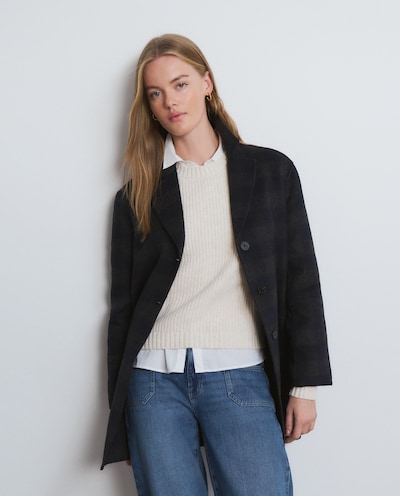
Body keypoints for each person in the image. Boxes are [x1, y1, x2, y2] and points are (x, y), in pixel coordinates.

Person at [101, 33, 332, 496]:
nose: (170, 101)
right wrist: (120, 414)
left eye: (180, 84)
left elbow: (301, 280)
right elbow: (123, 312)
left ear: (206, 83)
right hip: (152, 386)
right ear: (148, 107)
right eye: (156, 93)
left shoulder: (270, 173)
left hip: (239, 375)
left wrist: (305, 387)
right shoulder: (137, 196)